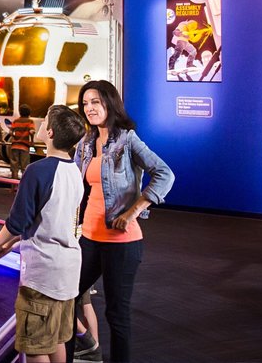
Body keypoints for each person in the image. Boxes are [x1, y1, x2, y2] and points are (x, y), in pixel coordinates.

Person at [71, 80, 174, 363]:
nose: (89, 108)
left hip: (122, 243)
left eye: (95, 102)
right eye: (85, 103)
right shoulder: (85, 143)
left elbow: (165, 173)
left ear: (110, 103)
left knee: (116, 314)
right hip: (89, 238)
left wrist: (133, 212)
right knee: (67, 299)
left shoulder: (127, 140)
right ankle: (86, 349)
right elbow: (73, 183)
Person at [0, 105, 87, 363]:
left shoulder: (38, 170)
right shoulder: (75, 171)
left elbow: (17, 221)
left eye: (45, 121)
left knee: (35, 346)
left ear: (50, 132)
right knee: (57, 339)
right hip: (68, 270)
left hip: (43, 273)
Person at [9, 104, 37, 180]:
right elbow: (31, 131)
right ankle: (23, 185)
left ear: (20, 112)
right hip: (24, 147)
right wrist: (32, 141)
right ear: (29, 112)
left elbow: (10, 132)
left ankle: (13, 186)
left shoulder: (16, 121)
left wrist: (15, 137)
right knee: (24, 168)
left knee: (14, 168)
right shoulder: (30, 121)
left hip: (14, 146)